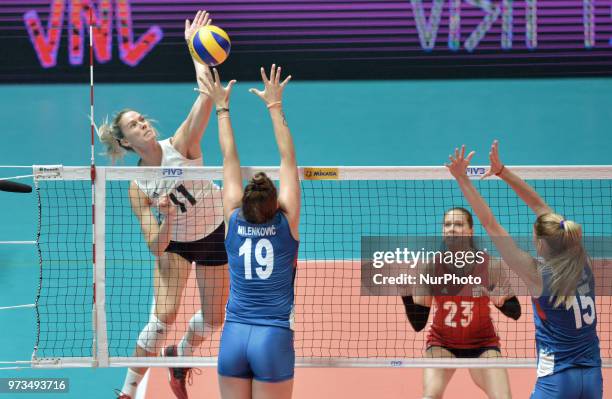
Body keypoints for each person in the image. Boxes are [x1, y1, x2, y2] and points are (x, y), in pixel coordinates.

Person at [98, 11, 229, 399]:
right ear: (124, 143)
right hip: (175, 246)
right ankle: (126, 391)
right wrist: (168, 219)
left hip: (213, 234)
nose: (143, 125)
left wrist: (194, 49)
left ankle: (182, 355)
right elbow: (155, 245)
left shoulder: (182, 145)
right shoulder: (136, 185)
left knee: (213, 320)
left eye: (142, 119)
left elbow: (207, 95)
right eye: (134, 126)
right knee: (161, 320)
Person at [446, 141, 602, 399]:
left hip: (557, 380)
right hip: (593, 375)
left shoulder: (536, 274)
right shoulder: (579, 256)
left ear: (540, 244)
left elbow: (490, 224)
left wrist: (462, 179)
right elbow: (542, 208)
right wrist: (502, 171)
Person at [196, 64, 299, 399]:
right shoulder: (286, 224)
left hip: (234, 338)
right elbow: (288, 158)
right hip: (273, 338)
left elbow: (229, 158)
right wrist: (274, 105)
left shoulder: (233, 220)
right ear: (277, 203)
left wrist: (222, 108)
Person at [401, 207, 520, 399]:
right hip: (442, 344)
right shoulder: (431, 266)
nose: (451, 229)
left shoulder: (491, 265)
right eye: (447, 225)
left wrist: (501, 303)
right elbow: (419, 324)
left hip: (483, 345)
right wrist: (406, 296)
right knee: (430, 396)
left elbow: (516, 312)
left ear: (470, 230)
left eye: (458, 224)